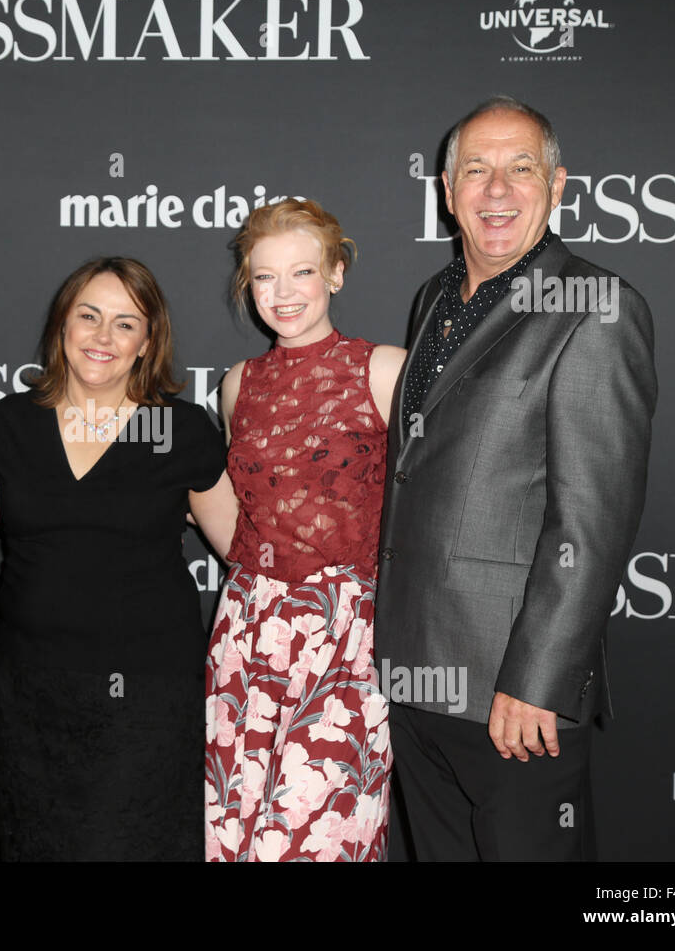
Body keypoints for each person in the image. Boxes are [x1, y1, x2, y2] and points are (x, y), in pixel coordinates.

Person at [376, 96, 657, 861]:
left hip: (512, 695)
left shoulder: (594, 308)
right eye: (476, 169)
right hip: (416, 680)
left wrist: (537, 680)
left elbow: (591, 523)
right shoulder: (432, 299)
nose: (496, 190)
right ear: (445, 188)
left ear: (558, 185)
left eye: (520, 168)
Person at [0, 257, 237, 861]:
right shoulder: (12, 424)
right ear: (62, 325)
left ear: (148, 343)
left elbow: (247, 552)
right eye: (88, 316)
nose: (102, 337)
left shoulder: (177, 429)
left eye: (126, 324)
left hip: (146, 701)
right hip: (29, 697)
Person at [203, 198, 406, 862]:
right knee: (237, 833)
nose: (283, 294)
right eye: (264, 277)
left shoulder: (384, 369)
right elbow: (240, 514)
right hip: (248, 633)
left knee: (320, 836)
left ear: (336, 274)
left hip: (346, 636)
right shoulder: (238, 384)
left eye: (302, 273)